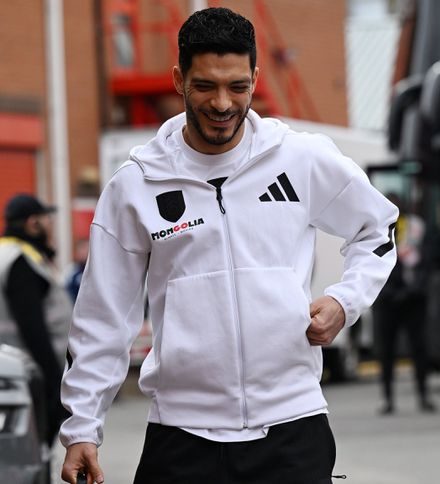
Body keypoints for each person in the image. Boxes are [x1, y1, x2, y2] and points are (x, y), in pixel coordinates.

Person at [59, 8, 397, 484]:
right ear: (179, 80)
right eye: (205, 86)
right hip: (182, 433)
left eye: (237, 86)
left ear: (255, 79)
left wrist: (345, 301)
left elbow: (378, 228)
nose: (222, 103)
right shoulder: (136, 185)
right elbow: (102, 317)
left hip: (292, 426)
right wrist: (82, 427)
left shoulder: (300, 158)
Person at [0, 193, 72, 446]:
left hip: (12, 375)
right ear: (33, 223)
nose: (51, 226)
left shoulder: (7, 254)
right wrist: (54, 383)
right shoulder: (21, 260)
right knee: (30, 452)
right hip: (27, 377)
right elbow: (33, 329)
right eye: (47, 219)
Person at [374, 194, 435, 415]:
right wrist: (389, 291)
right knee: (386, 351)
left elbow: (427, 261)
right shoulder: (377, 228)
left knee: (419, 348)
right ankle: (388, 399)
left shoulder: (417, 228)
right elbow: (373, 261)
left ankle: (424, 395)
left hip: (414, 298)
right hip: (387, 299)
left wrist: (414, 289)